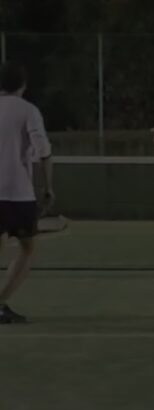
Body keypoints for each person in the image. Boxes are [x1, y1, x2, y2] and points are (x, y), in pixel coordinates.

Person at [0, 62, 55, 324]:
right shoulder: (29, 110)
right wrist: (48, 187)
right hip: (18, 193)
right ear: (23, 85)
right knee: (27, 248)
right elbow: (43, 151)